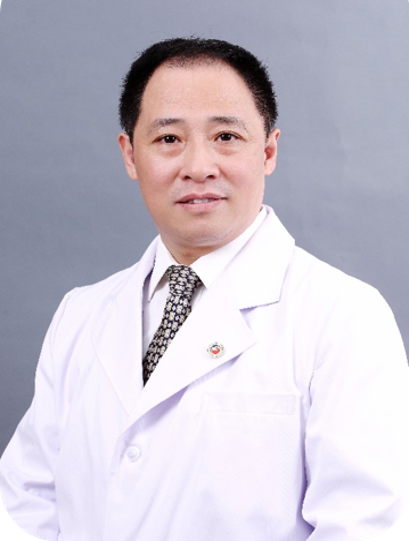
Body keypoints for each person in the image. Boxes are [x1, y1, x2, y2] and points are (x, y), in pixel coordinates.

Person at [0, 37, 408, 541]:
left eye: (226, 136)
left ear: (268, 151)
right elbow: (28, 501)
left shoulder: (343, 316)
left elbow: (360, 523)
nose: (198, 166)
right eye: (168, 138)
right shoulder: (80, 313)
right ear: (130, 155)